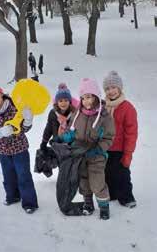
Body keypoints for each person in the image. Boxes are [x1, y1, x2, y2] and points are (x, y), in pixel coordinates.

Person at [54, 78, 115, 220]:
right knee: (83, 181)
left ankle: (104, 206)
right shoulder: (78, 113)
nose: (86, 101)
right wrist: (68, 135)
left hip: (96, 156)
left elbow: (109, 137)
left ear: (95, 96)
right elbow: (72, 129)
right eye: (83, 98)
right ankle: (88, 204)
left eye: (89, 97)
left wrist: (99, 149)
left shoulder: (104, 117)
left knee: (97, 183)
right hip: (80, 155)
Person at [0, 79, 38, 214]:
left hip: (20, 149)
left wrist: (28, 120)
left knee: (23, 175)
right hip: (3, 152)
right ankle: (12, 196)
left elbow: (24, 128)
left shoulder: (14, 106)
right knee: (8, 176)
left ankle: (29, 203)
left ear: (1, 93)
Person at [103, 71, 138, 208]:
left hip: (120, 149)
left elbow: (131, 133)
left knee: (122, 173)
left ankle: (127, 197)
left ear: (119, 88)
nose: (110, 91)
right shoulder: (103, 106)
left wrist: (128, 153)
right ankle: (112, 193)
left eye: (113, 87)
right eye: (107, 88)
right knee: (107, 172)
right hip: (105, 146)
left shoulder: (127, 108)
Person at [40, 83, 76, 153]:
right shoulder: (53, 113)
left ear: (70, 101)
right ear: (57, 102)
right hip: (57, 143)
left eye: (66, 100)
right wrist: (44, 142)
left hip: (71, 145)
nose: (63, 103)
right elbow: (49, 128)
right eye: (60, 101)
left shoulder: (74, 113)